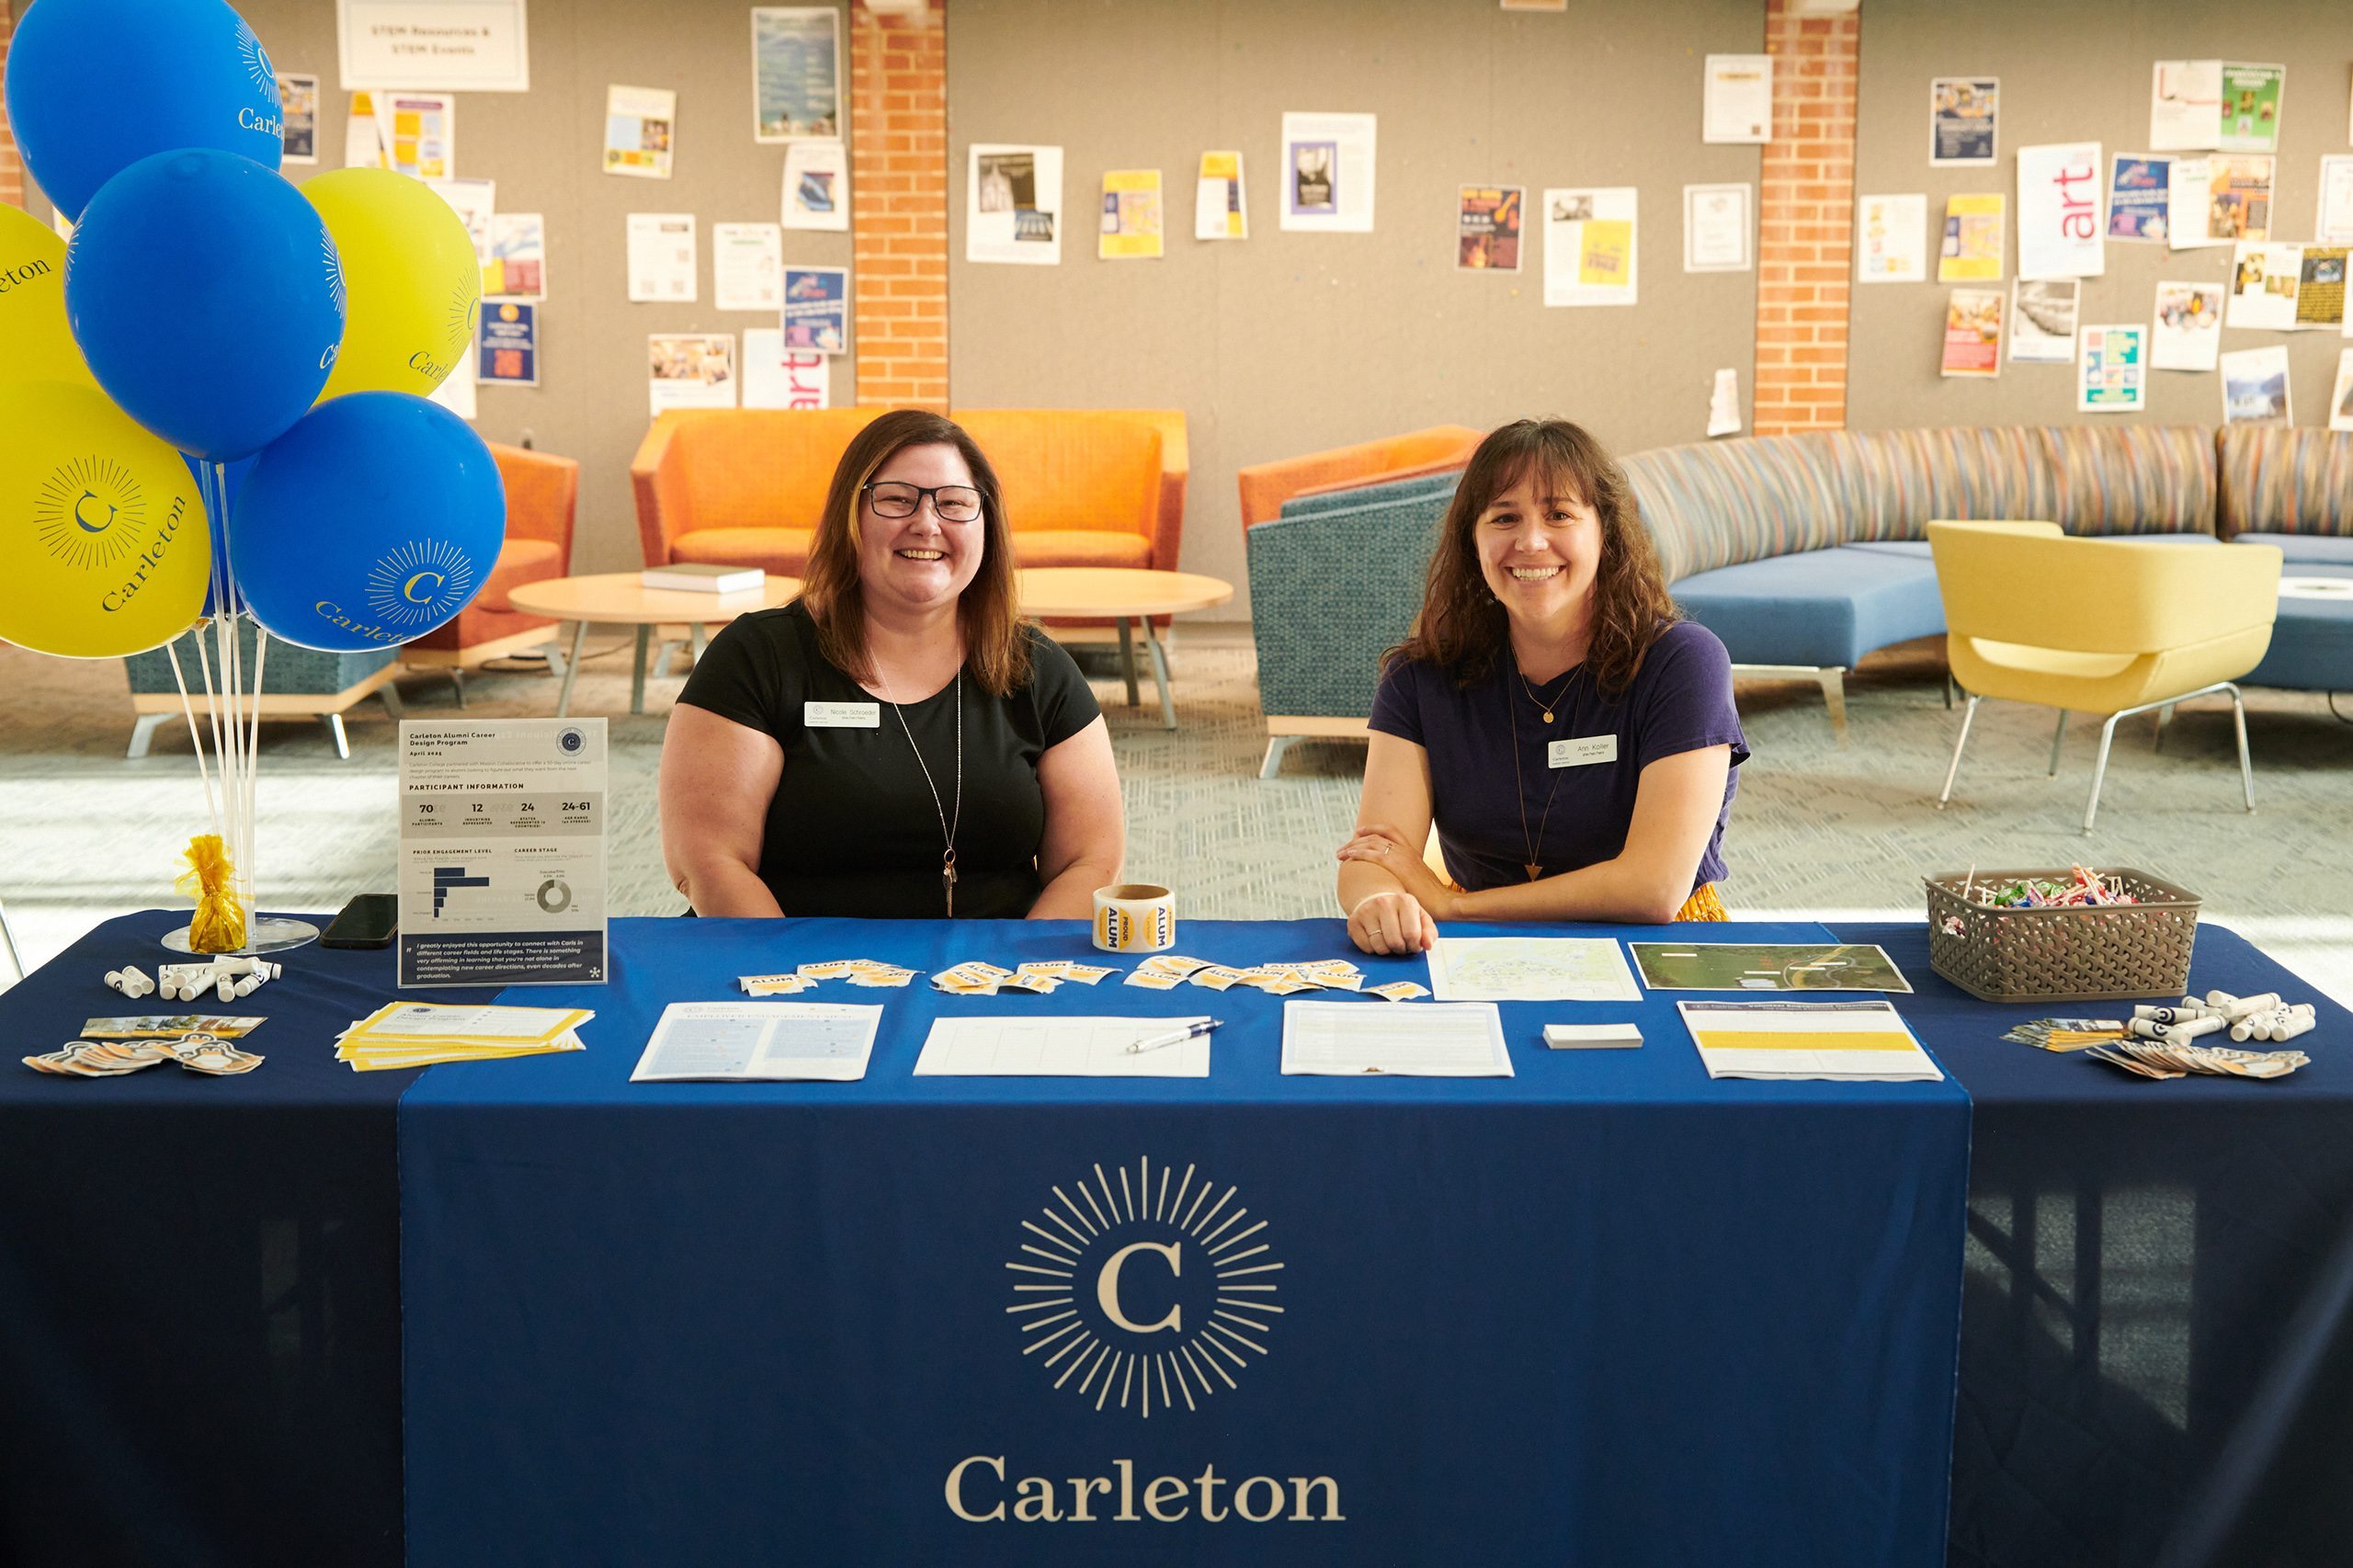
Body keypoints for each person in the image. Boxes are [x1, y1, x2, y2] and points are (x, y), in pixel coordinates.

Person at [660, 409, 1125, 918]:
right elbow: (710, 861)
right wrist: (793, 988)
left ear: (985, 524)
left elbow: (1090, 860)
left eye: (953, 503)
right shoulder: (756, 657)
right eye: (897, 499)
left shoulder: (1037, 668)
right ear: (850, 516)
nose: (926, 524)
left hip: (984, 976)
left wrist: (1015, 978)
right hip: (793, 973)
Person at [1336, 418, 1748, 955]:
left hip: (1656, 944)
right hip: (1472, 946)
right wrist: (1378, 902)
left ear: (1606, 532)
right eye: (1504, 517)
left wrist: (1456, 906)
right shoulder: (1421, 676)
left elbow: (1654, 890)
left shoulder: (1682, 663)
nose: (1530, 541)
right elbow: (1375, 857)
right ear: (1474, 541)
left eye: (1559, 515)